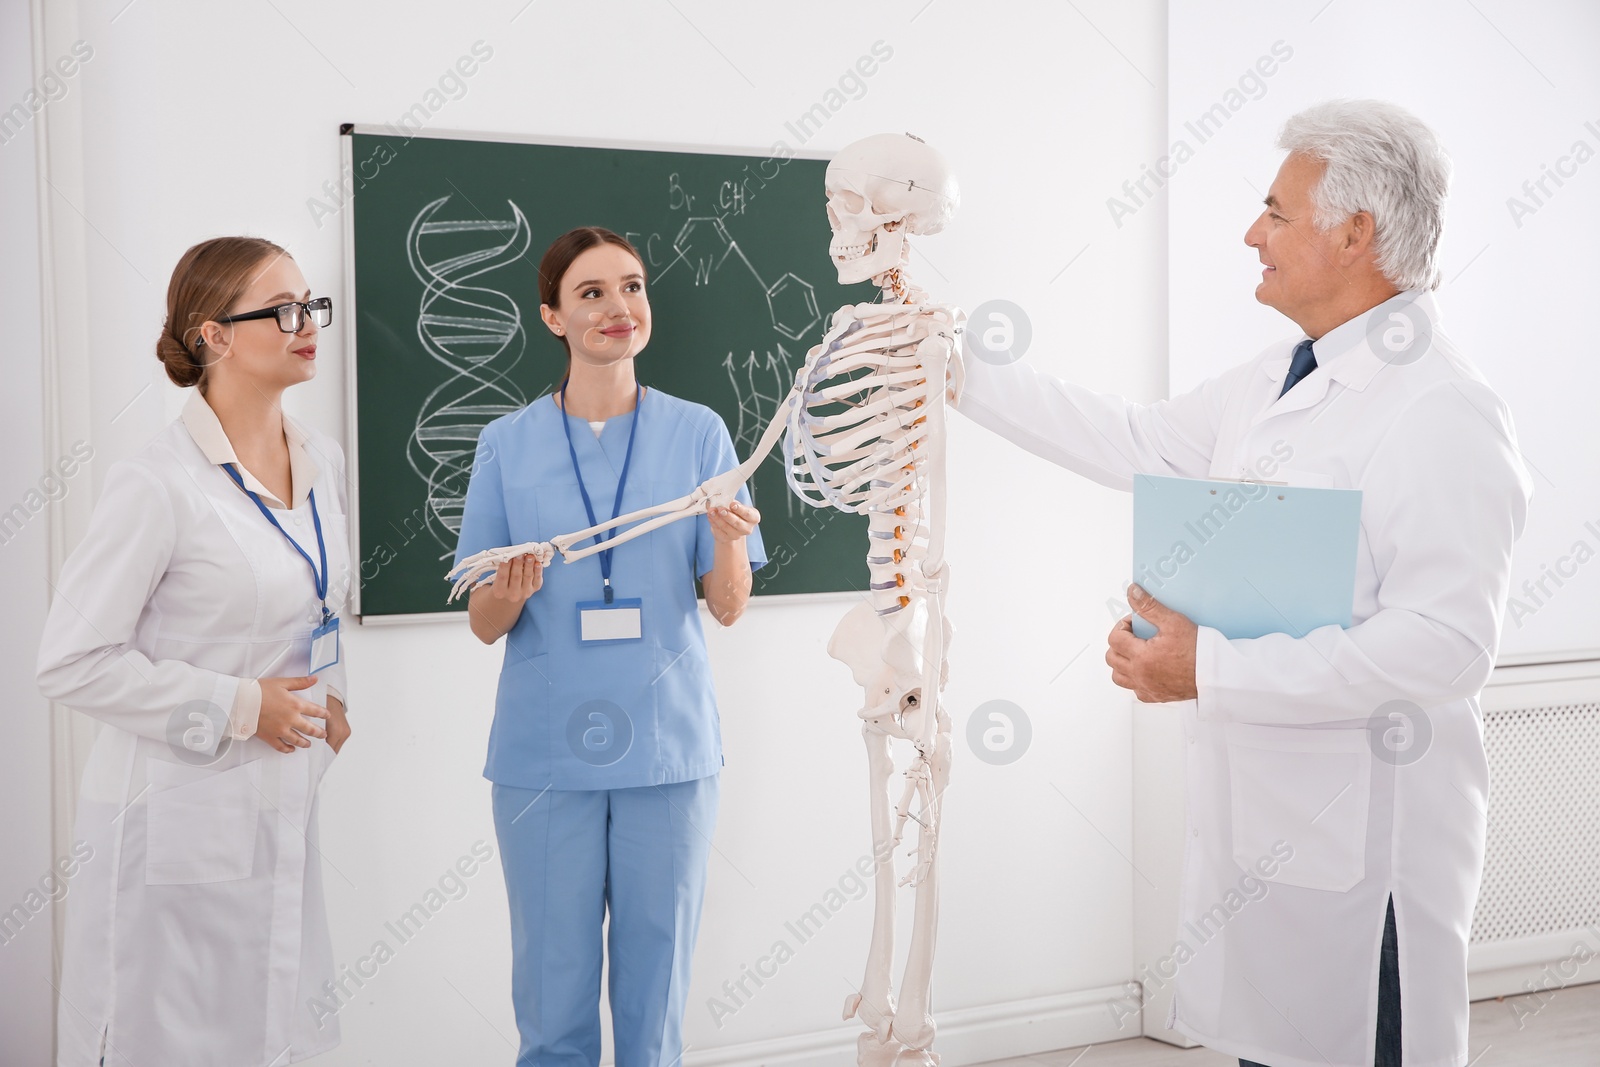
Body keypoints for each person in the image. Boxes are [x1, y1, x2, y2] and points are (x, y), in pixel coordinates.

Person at [955, 100, 1531, 1067]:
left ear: (1355, 233)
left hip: (1371, 874)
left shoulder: (1443, 409)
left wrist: (1207, 667)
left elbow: (1447, 647)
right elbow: (1134, 439)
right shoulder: (1276, 378)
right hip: (1272, 840)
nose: (1250, 233)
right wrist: (956, 372)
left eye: (1275, 211)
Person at [453, 226, 766, 1066]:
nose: (618, 307)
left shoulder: (699, 434)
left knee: (654, 991)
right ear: (552, 316)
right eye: (591, 293)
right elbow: (483, 620)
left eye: (632, 286)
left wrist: (730, 539)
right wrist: (509, 594)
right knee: (551, 999)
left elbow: (727, 607)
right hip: (545, 754)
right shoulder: (505, 444)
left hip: (667, 751)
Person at [37, 236, 353, 1066]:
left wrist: (330, 695)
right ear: (213, 334)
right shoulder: (156, 482)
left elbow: (312, 604)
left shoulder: (324, 461)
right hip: (170, 817)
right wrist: (245, 706)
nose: (306, 324)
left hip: (280, 803)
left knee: (274, 1030)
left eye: (310, 305)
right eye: (282, 310)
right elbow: (71, 658)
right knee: (167, 1039)